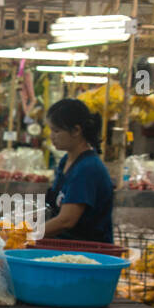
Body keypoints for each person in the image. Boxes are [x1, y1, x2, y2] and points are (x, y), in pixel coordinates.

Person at [42, 98, 113, 244]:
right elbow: (54, 207)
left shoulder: (87, 169)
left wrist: (25, 235)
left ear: (76, 130)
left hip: (88, 254)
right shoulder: (66, 161)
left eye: (56, 130)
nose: (51, 136)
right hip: (65, 247)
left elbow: (66, 221)